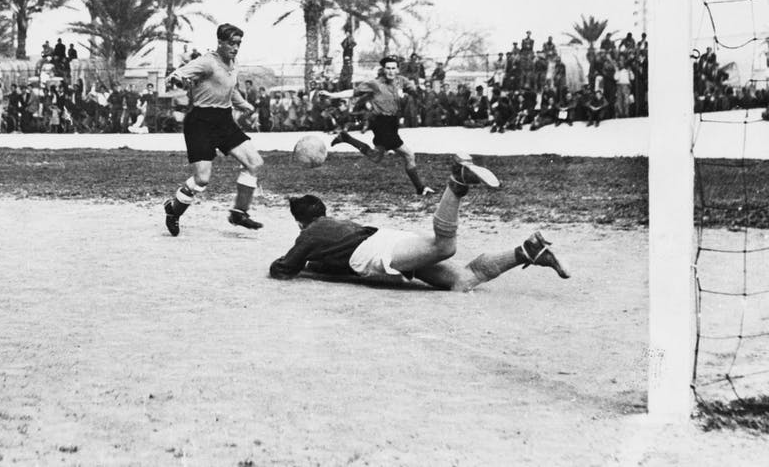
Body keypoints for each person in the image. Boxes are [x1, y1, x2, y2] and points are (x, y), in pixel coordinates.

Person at [269, 155, 570, 289]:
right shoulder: (333, 225)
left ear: (300, 223)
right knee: (462, 281)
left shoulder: (309, 234)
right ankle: (526, 251)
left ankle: (456, 184)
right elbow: (328, 262)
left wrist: (296, 262)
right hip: (388, 241)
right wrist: (314, 265)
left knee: (444, 247)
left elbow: (282, 269)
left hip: (378, 252)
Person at [162, 23, 263, 236]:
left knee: (254, 163)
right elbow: (175, 76)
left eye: (238, 44)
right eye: (231, 43)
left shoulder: (233, 63)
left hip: (224, 120)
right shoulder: (207, 62)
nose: (235, 48)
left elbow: (230, 88)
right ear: (220, 42)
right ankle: (173, 210)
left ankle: (239, 212)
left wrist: (244, 105)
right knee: (202, 179)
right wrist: (179, 80)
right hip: (200, 122)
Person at [330, 56, 435, 195]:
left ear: (397, 69)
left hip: (392, 123)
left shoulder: (401, 81)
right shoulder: (374, 84)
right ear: (383, 69)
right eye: (388, 68)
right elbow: (353, 93)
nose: (391, 71)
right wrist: (332, 95)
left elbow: (415, 91)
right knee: (409, 155)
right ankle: (420, 188)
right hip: (380, 123)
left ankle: (346, 138)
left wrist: (411, 92)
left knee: (375, 157)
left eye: (393, 68)